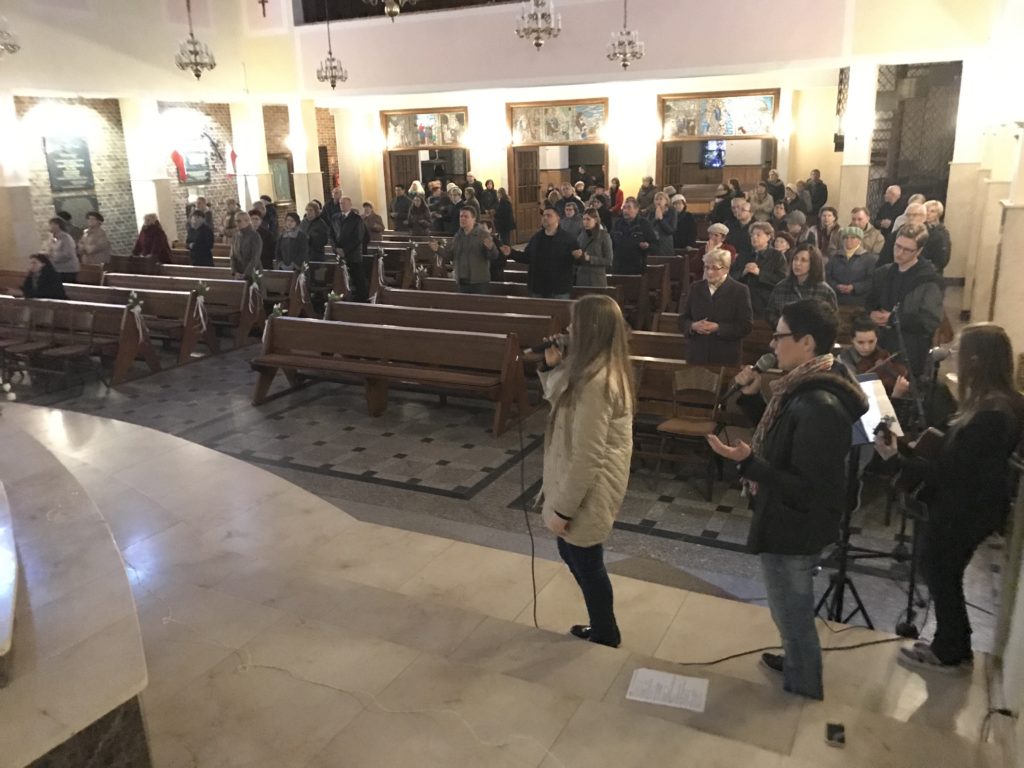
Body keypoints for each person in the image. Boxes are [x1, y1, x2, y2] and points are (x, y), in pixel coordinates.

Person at [707, 299, 869, 700]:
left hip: (796, 525)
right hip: (788, 517)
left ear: (807, 342)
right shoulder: (806, 388)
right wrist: (751, 398)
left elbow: (806, 486)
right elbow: (786, 440)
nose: (772, 344)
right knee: (786, 609)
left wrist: (749, 463)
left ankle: (803, 688)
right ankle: (795, 660)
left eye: (779, 336)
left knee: (793, 612)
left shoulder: (819, 403)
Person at [874, 323, 1024, 672]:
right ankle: (953, 643)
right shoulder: (996, 402)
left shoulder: (992, 414)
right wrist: (907, 448)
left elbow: (951, 472)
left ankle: (951, 651)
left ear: (976, 359)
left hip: (966, 508)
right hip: (968, 505)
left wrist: (895, 459)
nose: (951, 355)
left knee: (940, 569)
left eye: (958, 350)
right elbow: (951, 456)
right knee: (943, 570)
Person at [538, 294, 635, 649]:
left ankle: (606, 633)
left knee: (586, 561)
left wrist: (563, 509)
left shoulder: (598, 382)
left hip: (589, 488)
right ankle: (602, 626)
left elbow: (588, 456)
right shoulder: (589, 368)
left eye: (574, 324)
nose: (567, 329)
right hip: (579, 483)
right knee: (574, 553)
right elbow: (560, 402)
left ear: (590, 329)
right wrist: (553, 367)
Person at [865, 224, 944, 377]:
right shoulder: (883, 273)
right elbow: (870, 302)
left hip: (910, 348)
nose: (899, 253)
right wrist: (871, 313)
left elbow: (930, 320)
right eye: (897, 246)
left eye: (907, 250)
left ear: (919, 251)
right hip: (880, 342)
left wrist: (894, 318)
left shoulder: (928, 279)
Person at [678, 249, 753, 365]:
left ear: (726, 269)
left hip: (725, 356)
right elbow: (682, 319)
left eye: (714, 268)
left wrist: (719, 328)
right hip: (697, 355)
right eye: (706, 267)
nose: (709, 272)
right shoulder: (695, 288)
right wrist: (692, 326)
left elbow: (745, 326)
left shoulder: (740, 291)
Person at [502, 205, 581, 299]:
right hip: (538, 287)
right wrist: (511, 253)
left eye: (549, 215)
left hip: (559, 287)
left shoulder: (568, 239)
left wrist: (579, 257)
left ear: (558, 218)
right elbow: (527, 257)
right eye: (544, 215)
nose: (545, 218)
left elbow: (577, 261)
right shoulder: (537, 238)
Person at [838, 314, 910, 397]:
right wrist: (895, 395)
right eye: (860, 342)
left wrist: (898, 393)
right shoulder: (845, 358)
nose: (866, 347)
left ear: (877, 339)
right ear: (852, 340)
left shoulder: (885, 354)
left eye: (871, 341)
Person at [765, 244, 837, 327]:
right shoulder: (781, 287)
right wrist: (780, 324)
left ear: (813, 264)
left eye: (803, 260)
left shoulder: (825, 290)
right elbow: (770, 312)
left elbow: (832, 321)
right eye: (795, 259)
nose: (797, 263)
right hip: (785, 333)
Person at [432, 206, 499, 294]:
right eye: (461, 216)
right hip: (462, 281)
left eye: (466, 216)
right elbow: (451, 255)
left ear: (474, 219)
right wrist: (438, 249)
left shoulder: (483, 235)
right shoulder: (458, 236)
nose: (462, 219)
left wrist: (491, 248)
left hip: (478, 282)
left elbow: (494, 256)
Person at [731, 221, 788, 317]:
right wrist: (743, 272)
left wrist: (759, 273)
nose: (754, 237)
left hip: (765, 303)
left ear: (768, 237)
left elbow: (782, 280)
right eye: (752, 235)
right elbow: (731, 276)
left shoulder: (777, 256)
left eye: (758, 235)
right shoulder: (744, 255)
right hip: (743, 301)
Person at [825, 226, 876, 307]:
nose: (848, 240)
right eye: (846, 238)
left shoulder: (869, 259)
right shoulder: (835, 257)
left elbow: (871, 281)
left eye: (853, 237)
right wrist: (836, 286)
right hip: (836, 301)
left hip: (859, 302)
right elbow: (827, 277)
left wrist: (854, 287)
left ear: (859, 240)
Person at [331, 196, 368, 301]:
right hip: (339, 254)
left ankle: (362, 299)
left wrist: (345, 250)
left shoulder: (356, 219)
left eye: (344, 203)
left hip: (353, 254)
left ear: (350, 205)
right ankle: (344, 297)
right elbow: (331, 235)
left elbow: (358, 237)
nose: (342, 205)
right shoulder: (335, 217)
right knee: (341, 277)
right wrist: (336, 248)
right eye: (341, 203)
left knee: (357, 277)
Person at [610, 197, 656, 275]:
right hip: (619, 267)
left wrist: (647, 246)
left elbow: (655, 245)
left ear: (636, 209)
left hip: (637, 267)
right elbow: (611, 242)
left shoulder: (644, 224)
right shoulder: (617, 224)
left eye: (629, 208)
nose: (625, 211)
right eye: (624, 208)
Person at [576, 207, 613, 287]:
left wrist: (590, 258)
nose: (585, 222)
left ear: (595, 220)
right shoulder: (581, 235)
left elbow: (608, 260)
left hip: (596, 279)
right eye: (584, 219)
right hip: (582, 278)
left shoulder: (604, 236)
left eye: (588, 219)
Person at [229, 210, 262, 279]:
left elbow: (255, 258)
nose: (236, 223)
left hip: (253, 274)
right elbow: (232, 256)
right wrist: (234, 271)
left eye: (239, 221)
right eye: (236, 221)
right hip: (239, 274)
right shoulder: (236, 236)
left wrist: (246, 274)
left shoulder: (254, 236)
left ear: (247, 221)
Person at [924, 200, 951, 276]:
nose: (928, 213)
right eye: (926, 210)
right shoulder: (921, 228)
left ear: (938, 214)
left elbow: (943, 257)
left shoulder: (942, 233)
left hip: (933, 272)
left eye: (932, 211)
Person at [647, 191, 677, 256]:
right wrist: (655, 219)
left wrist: (661, 220)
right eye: (656, 199)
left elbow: (671, 230)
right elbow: (648, 228)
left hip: (666, 243)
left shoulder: (671, 212)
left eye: (661, 199)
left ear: (666, 201)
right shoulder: (651, 212)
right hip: (654, 243)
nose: (658, 201)